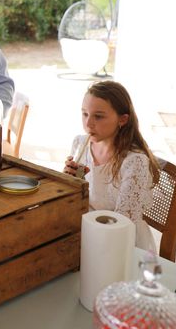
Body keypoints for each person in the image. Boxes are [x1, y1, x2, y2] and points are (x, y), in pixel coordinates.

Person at [63, 80, 160, 251]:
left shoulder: (134, 161)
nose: (88, 123)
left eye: (98, 116)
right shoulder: (80, 143)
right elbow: (75, 200)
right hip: (85, 227)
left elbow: (121, 224)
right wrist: (67, 181)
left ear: (122, 120)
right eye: (85, 114)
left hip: (118, 242)